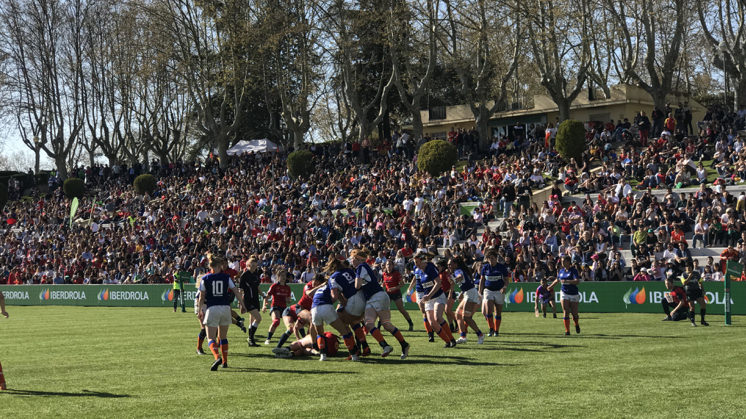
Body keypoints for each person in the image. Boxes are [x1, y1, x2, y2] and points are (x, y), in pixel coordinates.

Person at [351, 249, 410, 359]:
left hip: (378, 296)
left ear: (357, 259)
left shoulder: (361, 267)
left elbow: (357, 286)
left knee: (386, 324)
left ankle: (404, 344)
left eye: (352, 259)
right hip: (372, 299)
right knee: (369, 324)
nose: (351, 261)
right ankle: (385, 346)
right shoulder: (363, 267)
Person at [196, 254, 247, 371]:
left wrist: (199, 310)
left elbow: (201, 297)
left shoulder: (205, 279)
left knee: (211, 338)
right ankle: (225, 361)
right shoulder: (226, 277)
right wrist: (242, 305)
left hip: (212, 308)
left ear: (211, 267)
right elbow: (236, 291)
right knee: (223, 337)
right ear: (219, 266)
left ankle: (217, 357)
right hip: (225, 308)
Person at [308, 271, 361, 361]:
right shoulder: (332, 285)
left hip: (314, 309)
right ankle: (354, 355)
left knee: (320, 333)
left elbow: (309, 294)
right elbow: (339, 298)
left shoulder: (318, 289)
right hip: (326, 307)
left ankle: (322, 356)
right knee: (344, 331)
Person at [413, 250, 457, 347]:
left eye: (417, 262)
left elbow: (438, 283)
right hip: (428, 300)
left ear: (422, 260)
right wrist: (421, 299)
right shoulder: (419, 271)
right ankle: (447, 341)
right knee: (432, 323)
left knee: (438, 318)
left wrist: (429, 295)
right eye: (415, 263)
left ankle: (452, 339)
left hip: (438, 297)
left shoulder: (430, 267)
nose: (416, 265)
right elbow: (421, 287)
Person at [274, 275, 320, 350]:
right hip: (289, 312)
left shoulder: (316, 298)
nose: (314, 283)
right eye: (314, 281)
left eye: (317, 282)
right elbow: (295, 328)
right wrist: (298, 340)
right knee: (291, 328)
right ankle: (278, 347)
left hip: (300, 312)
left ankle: (308, 345)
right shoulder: (308, 286)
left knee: (309, 326)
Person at [448, 257, 484, 344]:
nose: (449, 266)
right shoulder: (455, 271)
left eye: (450, 264)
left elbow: (460, 277)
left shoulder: (457, 271)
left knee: (466, 317)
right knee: (458, 314)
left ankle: (480, 334)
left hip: (471, 294)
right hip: (467, 293)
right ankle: (463, 336)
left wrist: (455, 279)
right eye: (448, 264)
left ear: (455, 264)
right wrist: (461, 293)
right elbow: (464, 282)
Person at [479, 250, 509, 337]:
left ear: (496, 259)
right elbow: (482, 280)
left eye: (493, 258)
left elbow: (506, 280)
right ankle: (491, 328)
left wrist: (504, 287)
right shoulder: (485, 267)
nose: (491, 260)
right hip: (488, 290)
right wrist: (479, 291)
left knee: (498, 312)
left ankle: (496, 330)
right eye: (489, 258)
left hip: (499, 291)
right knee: (488, 310)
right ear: (487, 259)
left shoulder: (501, 267)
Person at [550, 256, 581, 336]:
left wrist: (567, 281)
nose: (562, 263)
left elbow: (577, 281)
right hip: (564, 292)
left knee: (574, 313)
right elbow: (557, 280)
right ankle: (567, 331)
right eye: (561, 261)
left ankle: (576, 324)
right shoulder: (561, 271)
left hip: (573, 293)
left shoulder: (573, 271)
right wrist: (550, 286)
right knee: (566, 311)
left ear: (568, 262)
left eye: (563, 261)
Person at [381, 260, 414, 331]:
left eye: (390, 264)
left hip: (396, 294)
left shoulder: (396, 273)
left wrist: (394, 288)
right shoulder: (384, 274)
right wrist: (382, 285)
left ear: (393, 266)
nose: (388, 266)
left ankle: (410, 323)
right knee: (383, 310)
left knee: (401, 310)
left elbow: (402, 284)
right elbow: (384, 283)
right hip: (388, 294)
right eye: (387, 264)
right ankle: (378, 327)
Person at [262, 269, 292, 345]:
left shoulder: (287, 288)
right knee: (276, 321)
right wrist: (264, 306)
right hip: (275, 307)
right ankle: (268, 339)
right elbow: (267, 297)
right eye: (282, 276)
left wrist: (288, 300)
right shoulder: (274, 286)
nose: (283, 277)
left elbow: (288, 300)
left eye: (284, 275)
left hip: (284, 308)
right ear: (278, 277)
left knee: (292, 324)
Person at [238, 257, 263, 347]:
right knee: (258, 318)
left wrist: (263, 295)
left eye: (255, 264)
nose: (253, 266)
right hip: (248, 300)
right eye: (252, 264)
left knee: (253, 318)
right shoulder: (244, 275)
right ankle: (251, 338)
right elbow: (240, 290)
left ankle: (251, 339)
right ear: (248, 265)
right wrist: (240, 303)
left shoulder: (256, 274)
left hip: (255, 299)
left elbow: (257, 287)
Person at [681, 262, 709, 326]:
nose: (688, 268)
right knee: (692, 307)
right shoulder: (683, 274)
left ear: (692, 268)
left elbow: (700, 282)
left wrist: (703, 290)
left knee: (703, 304)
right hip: (689, 291)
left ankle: (702, 320)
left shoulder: (696, 273)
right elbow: (684, 283)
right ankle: (693, 321)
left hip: (697, 290)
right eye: (687, 267)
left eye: (689, 267)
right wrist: (689, 277)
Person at [273, 332, 339, 359]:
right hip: (331, 352)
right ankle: (291, 355)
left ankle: (287, 349)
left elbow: (315, 333)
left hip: (324, 342)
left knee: (301, 342)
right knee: (303, 350)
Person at [437, 259, 458, 335]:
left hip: (450, 294)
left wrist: (450, 293)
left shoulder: (446, 273)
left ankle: (457, 322)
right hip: (444, 294)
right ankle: (451, 326)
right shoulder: (439, 274)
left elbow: (452, 283)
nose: (437, 268)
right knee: (447, 312)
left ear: (442, 267)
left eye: (438, 266)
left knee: (447, 310)